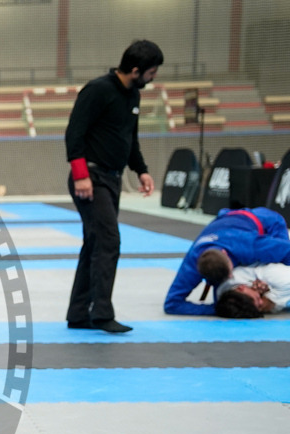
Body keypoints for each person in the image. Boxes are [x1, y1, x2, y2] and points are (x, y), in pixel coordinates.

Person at [65, 40, 164, 334]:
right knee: (109, 240)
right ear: (136, 70)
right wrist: (81, 174)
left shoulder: (133, 95)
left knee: (95, 242)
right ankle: (101, 313)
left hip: (113, 178)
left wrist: (142, 171)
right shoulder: (98, 90)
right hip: (91, 179)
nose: (153, 77)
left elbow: (130, 139)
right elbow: (75, 133)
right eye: (151, 72)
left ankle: (79, 312)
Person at [163, 207, 290, 316]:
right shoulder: (192, 264)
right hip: (227, 224)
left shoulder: (249, 245)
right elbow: (171, 304)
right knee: (227, 300)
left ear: (225, 254)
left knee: (279, 271)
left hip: (266, 222)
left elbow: (286, 250)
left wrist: (274, 294)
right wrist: (218, 310)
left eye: (229, 272)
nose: (231, 276)